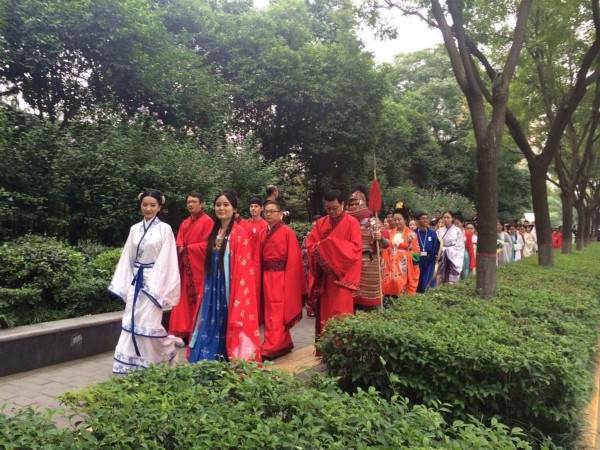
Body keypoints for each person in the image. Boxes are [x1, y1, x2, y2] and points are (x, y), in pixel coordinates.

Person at [109, 189, 183, 374]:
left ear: (159, 207)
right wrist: (125, 282)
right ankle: (129, 363)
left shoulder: (164, 229)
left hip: (154, 282)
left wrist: (156, 285)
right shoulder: (135, 229)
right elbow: (128, 256)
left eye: (152, 205)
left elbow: (168, 259)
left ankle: (168, 349)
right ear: (140, 205)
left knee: (149, 325)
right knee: (132, 323)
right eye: (145, 204)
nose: (148, 208)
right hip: (136, 281)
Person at [188, 190, 260, 363]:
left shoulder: (239, 233)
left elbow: (244, 268)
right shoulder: (214, 233)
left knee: (225, 323)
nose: (221, 208)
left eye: (226, 205)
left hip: (229, 288)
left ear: (234, 209)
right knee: (209, 321)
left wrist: (238, 296)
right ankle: (206, 360)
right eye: (218, 204)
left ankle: (226, 360)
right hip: (212, 288)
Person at [305, 189, 361, 341]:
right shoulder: (320, 223)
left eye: (334, 208)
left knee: (341, 312)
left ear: (342, 204)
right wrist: (323, 248)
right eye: (328, 208)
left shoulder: (352, 223)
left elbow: (355, 249)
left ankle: (341, 348)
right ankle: (326, 347)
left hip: (341, 277)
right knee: (325, 313)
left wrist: (329, 246)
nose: (331, 211)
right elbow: (311, 244)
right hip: (324, 278)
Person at [259, 200, 306, 360]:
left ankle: (273, 345)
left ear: (280, 214)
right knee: (269, 310)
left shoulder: (287, 232)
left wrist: (290, 281)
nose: (269, 214)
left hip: (280, 277)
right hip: (266, 275)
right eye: (266, 211)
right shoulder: (262, 232)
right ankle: (283, 343)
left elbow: (294, 260)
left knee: (277, 310)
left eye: (272, 211)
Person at [168, 192, 214, 342]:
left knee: (197, 299)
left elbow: (208, 245)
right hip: (185, 267)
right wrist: (180, 246)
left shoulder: (208, 222)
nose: (190, 204)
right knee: (184, 299)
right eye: (188, 202)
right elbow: (179, 240)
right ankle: (185, 330)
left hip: (198, 269)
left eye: (194, 201)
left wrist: (187, 249)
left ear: (201, 204)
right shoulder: (185, 222)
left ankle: (197, 331)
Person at [346, 183, 385, 310]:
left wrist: (380, 238)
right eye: (350, 203)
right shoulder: (345, 223)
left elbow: (386, 244)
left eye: (355, 203)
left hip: (369, 263)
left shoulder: (374, 222)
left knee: (369, 302)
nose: (352, 206)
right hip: (351, 264)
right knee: (351, 300)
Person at [381, 204, 420, 297]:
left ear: (405, 220)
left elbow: (416, 254)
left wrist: (404, 254)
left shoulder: (411, 235)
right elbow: (384, 247)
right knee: (387, 285)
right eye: (395, 220)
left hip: (403, 266)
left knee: (400, 287)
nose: (396, 222)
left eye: (399, 219)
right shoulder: (390, 233)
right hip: (388, 265)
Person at [241, 195, 268, 322]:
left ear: (261, 208)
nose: (253, 209)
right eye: (251, 206)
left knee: (258, 288)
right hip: (246, 260)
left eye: (256, 206)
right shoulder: (244, 224)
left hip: (260, 261)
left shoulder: (265, 224)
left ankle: (258, 316)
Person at [414, 211, 441, 292]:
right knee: (418, 282)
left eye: (427, 218)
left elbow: (437, 247)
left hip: (429, 260)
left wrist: (437, 255)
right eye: (423, 218)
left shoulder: (432, 233)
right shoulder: (413, 233)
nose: (426, 220)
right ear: (417, 221)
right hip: (417, 261)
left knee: (428, 282)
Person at [436, 210, 464, 285]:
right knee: (440, 277)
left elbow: (460, 245)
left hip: (453, 256)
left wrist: (448, 250)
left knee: (452, 278)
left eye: (448, 217)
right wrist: (440, 251)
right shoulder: (439, 231)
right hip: (442, 255)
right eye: (444, 217)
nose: (446, 219)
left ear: (452, 218)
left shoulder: (457, 230)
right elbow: (437, 244)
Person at [453, 212, 475, 279]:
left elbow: (470, 249)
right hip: (453, 253)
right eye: (454, 224)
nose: (456, 225)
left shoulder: (467, 233)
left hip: (464, 254)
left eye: (458, 224)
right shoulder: (451, 233)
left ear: (462, 223)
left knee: (464, 274)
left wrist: (472, 263)